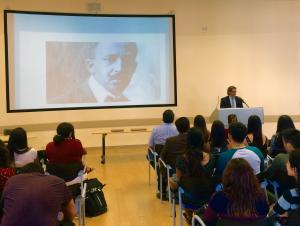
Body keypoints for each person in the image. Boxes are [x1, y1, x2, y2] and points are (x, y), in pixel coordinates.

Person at [51, 42, 138, 103]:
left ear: (134, 67)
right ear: (91, 66)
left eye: (128, 60)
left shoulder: (128, 103)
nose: (119, 68)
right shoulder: (62, 102)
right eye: (110, 59)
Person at [0, 162, 76, 226]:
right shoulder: (57, 181)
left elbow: (3, 208)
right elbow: (72, 212)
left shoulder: (11, 181)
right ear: (43, 174)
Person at [203, 158, 269, 225]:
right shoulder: (260, 198)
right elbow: (263, 217)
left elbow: (207, 220)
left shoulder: (218, 198)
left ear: (227, 175)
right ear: (251, 176)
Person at [169, 128, 215, 223]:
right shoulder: (211, 158)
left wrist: (171, 182)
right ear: (202, 141)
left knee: (180, 184)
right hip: (208, 197)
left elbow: (178, 180)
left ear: (188, 141)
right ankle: (197, 217)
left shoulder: (181, 159)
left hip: (189, 198)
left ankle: (190, 217)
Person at [159, 117, 190, 199]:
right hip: (191, 170)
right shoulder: (192, 140)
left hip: (172, 171)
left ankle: (163, 192)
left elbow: (162, 157)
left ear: (177, 128)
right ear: (189, 126)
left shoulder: (170, 141)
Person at [266, 129, 300, 194]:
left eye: (284, 143)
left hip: (284, 192)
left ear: (289, 145)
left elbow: (269, 175)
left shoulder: (281, 158)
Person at [270, 150, 300, 218]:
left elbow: (273, 213)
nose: (286, 163)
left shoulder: (290, 195)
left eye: (288, 161)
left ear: (294, 169)